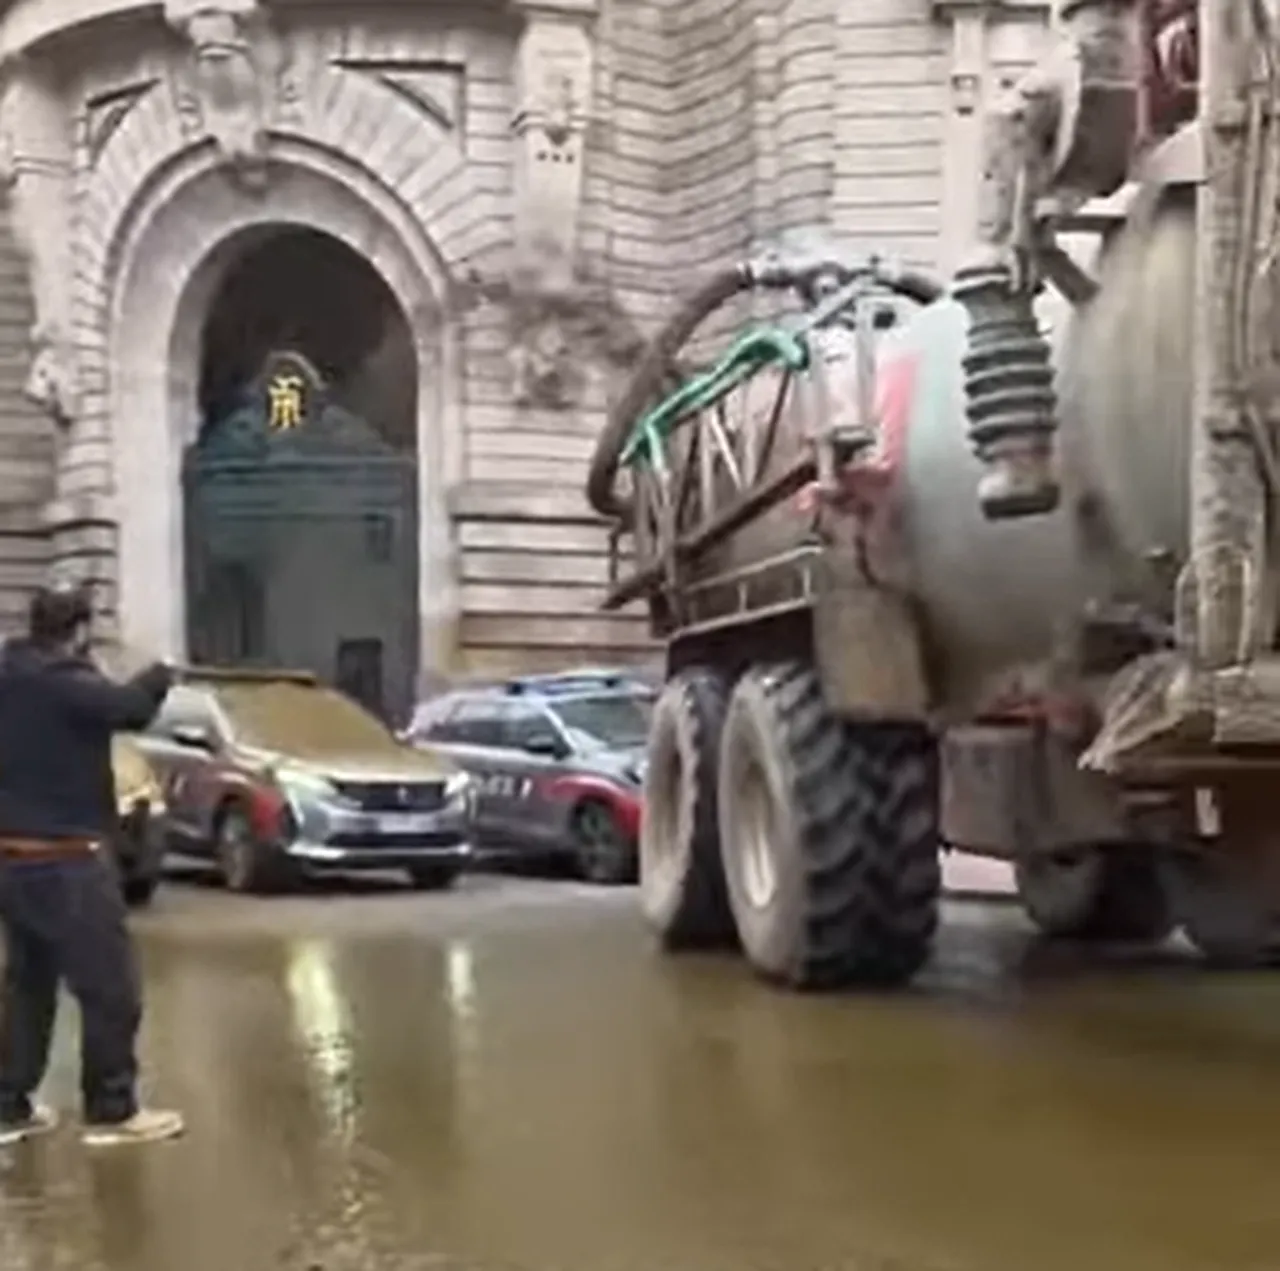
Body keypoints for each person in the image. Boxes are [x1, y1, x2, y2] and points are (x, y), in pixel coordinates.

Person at [0, 582, 183, 1147]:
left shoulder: (8, 674)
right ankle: (112, 1110)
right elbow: (130, 709)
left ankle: (9, 1107)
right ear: (79, 631)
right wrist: (161, 673)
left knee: (29, 987)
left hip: (12, 859)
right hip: (69, 862)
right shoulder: (67, 683)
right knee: (110, 988)